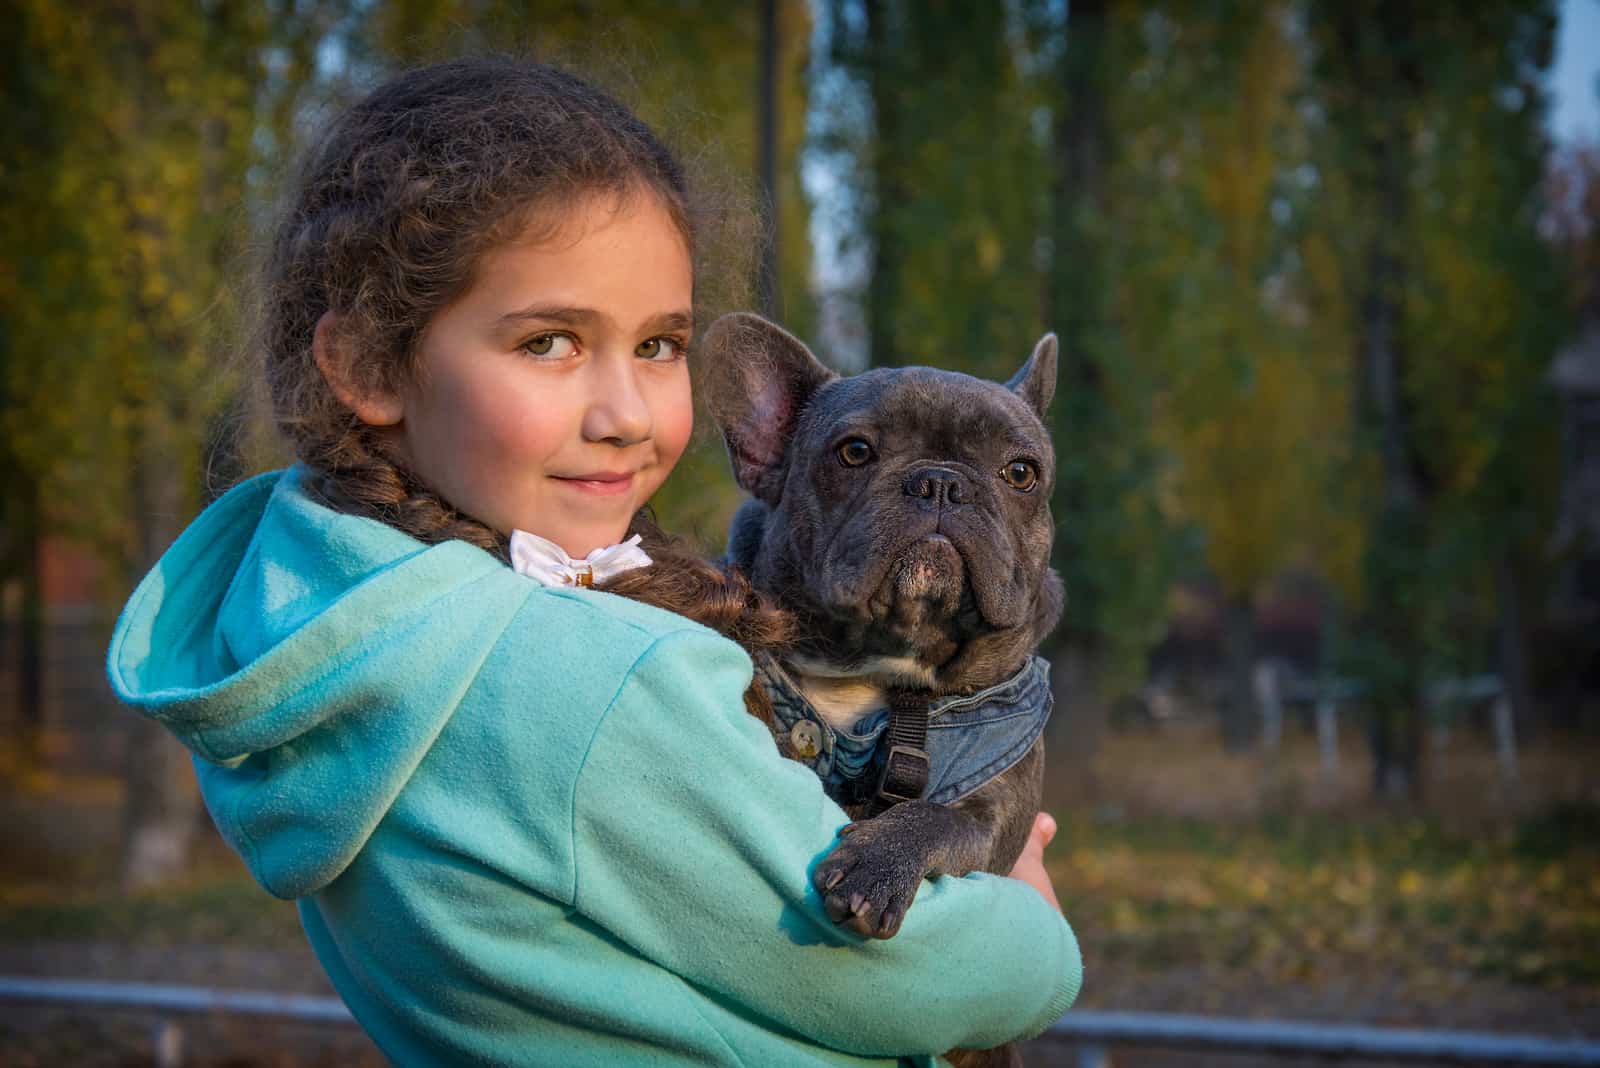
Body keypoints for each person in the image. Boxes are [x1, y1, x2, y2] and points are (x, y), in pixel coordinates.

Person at [105, 57, 1081, 1067]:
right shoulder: (601, 686)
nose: (622, 416)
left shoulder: (338, 647)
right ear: (363, 365)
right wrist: (1036, 934)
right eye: (549, 343)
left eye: (659, 346)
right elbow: (897, 979)